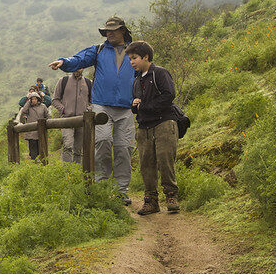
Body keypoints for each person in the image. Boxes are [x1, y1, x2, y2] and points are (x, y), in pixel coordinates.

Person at [48, 16, 135, 205]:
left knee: (124, 149)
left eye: (113, 30)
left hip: (126, 107)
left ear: (123, 31)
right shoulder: (99, 50)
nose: (109, 33)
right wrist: (65, 62)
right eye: (106, 31)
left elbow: (144, 71)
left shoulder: (133, 51)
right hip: (102, 105)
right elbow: (80, 58)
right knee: (103, 140)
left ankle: (121, 191)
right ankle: (102, 186)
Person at [127, 41, 180, 215]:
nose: (132, 62)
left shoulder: (160, 73)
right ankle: (151, 202)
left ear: (146, 57)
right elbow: (137, 105)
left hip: (164, 123)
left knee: (165, 161)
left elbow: (169, 95)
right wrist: (135, 105)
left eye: (134, 58)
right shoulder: (136, 80)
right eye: (130, 59)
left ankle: (171, 197)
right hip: (144, 127)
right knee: (146, 164)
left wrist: (144, 106)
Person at [51, 69, 93, 163]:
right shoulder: (63, 80)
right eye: (75, 66)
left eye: (80, 67)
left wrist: (88, 110)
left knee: (78, 150)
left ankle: (76, 172)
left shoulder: (88, 83)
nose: (77, 69)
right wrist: (63, 109)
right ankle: (67, 171)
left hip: (82, 121)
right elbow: (55, 100)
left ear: (83, 68)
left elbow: (94, 101)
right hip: (67, 119)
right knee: (68, 145)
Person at [17, 92, 50, 160]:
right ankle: (34, 164)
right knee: (33, 150)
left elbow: (48, 116)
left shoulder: (43, 106)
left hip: (41, 132)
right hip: (31, 132)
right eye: (32, 99)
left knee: (41, 149)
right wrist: (28, 102)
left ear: (38, 99)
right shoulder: (28, 107)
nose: (34, 100)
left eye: (35, 99)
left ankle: (42, 164)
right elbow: (23, 111)